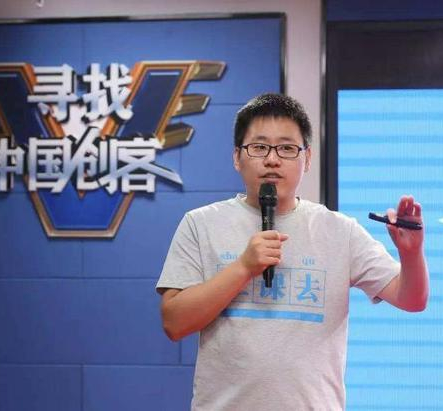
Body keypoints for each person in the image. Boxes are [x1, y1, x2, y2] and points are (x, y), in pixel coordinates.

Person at [156, 93, 428, 410]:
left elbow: (412, 300)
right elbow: (174, 322)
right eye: (259, 147)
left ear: (307, 158)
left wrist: (411, 254)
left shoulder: (340, 231)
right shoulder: (201, 224)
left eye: (287, 148)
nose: (272, 160)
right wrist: (243, 268)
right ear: (237, 157)